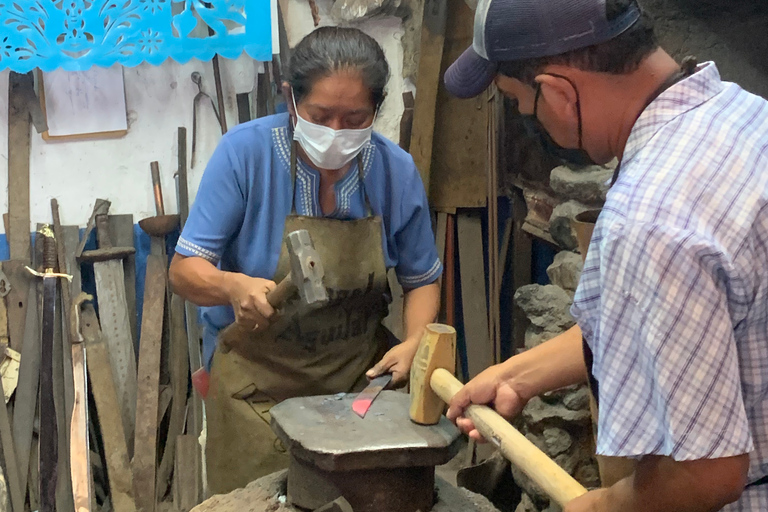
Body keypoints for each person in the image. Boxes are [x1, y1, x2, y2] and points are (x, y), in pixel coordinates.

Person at [443, 0, 768, 510]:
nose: (527, 117)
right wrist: (517, 375)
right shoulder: (740, 113)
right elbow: (673, 328)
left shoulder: (649, 216)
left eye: (517, 101)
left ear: (557, 91)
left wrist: (603, 504)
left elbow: (708, 473)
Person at [169, 26, 442, 494]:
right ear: (290, 99)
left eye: (355, 117)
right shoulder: (244, 155)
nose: (336, 132)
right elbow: (185, 270)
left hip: (359, 384)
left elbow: (422, 280)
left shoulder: (394, 170)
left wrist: (417, 340)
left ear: (376, 110)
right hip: (256, 392)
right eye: (320, 115)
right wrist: (233, 286)